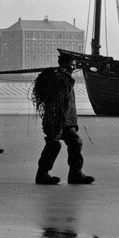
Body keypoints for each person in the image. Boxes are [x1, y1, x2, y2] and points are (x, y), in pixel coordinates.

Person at [31, 55, 94, 185]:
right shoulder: (58, 79)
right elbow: (57, 100)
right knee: (53, 144)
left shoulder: (63, 78)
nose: (74, 67)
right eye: (72, 64)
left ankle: (75, 174)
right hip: (58, 120)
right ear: (64, 64)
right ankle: (42, 175)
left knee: (76, 143)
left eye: (75, 64)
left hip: (67, 120)